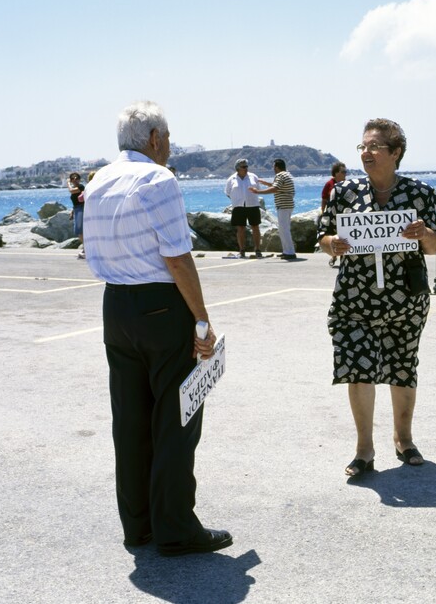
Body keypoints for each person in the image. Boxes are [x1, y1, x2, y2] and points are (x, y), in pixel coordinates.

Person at [83, 100, 232, 556]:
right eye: (167, 139)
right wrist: (202, 320)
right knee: (176, 417)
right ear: (154, 139)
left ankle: (138, 525)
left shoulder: (98, 180)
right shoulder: (157, 178)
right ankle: (175, 527)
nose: (169, 147)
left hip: (116, 304)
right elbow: (176, 255)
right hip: (162, 307)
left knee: (129, 420)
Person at [317, 118, 436, 477]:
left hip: (405, 297)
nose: (366, 153)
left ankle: (403, 440)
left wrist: (424, 234)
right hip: (354, 298)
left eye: (374, 147)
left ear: (396, 152)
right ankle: (364, 449)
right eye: (362, 147)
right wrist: (333, 245)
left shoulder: (420, 193)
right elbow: (322, 236)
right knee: (358, 368)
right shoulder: (345, 192)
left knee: (402, 367)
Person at [249, 158, 296, 260]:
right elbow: (278, 186)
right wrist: (265, 183)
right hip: (288, 205)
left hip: (283, 205)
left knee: (284, 229)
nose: (273, 168)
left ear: (277, 167)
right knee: (284, 229)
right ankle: (286, 251)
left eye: (273, 166)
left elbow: (275, 188)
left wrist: (258, 192)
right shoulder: (286, 175)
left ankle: (290, 252)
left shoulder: (280, 175)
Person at [225, 158, 262, 258]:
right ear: (237, 168)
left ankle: (257, 249)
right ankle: (242, 250)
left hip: (252, 205)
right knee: (240, 228)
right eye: (243, 167)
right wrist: (237, 199)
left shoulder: (253, 177)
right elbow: (228, 192)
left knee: (255, 227)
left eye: (246, 166)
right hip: (238, 206)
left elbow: (258, 189)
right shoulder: (231, 179)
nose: (246, 168)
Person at [320, 162, 347, 267]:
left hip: (343, 215)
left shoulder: (347, 184)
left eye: (346, 172)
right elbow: (324, 199)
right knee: (334, 236)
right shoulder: (329, 184)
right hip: (332, 215)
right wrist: (323, 213)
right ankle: (334, 256)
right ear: (336, 173)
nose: (345, 174)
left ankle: (343, 257)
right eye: (343, 172)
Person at [67, 172, 85, 258]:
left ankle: (86, 248)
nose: (75, 180)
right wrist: (72, 212)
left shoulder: (81, 187)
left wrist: (67, 183)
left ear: (79, 179)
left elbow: (71, 190)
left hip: (81, 209)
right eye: (72, 179)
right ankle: (86, 247)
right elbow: (75, 202)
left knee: (79, 230)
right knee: (79, 231)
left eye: (76, 178)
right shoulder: (75, 188)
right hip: (77, 209)